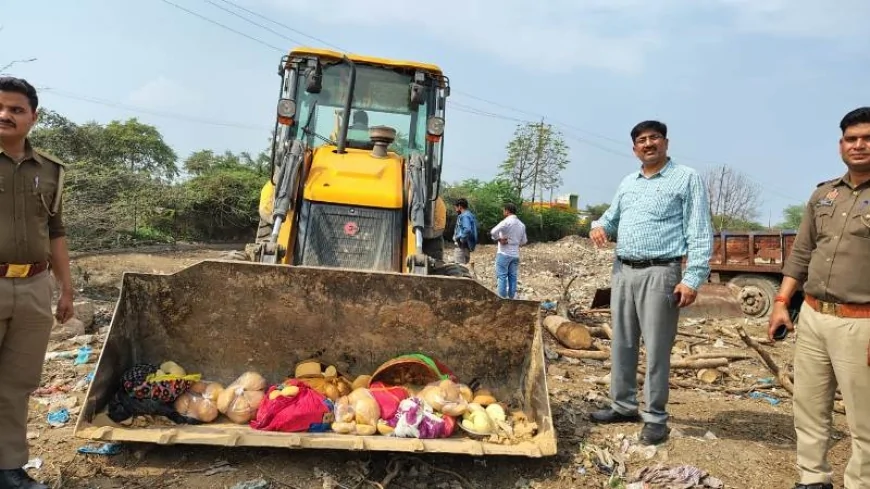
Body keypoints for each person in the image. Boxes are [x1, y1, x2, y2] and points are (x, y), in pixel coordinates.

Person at [588, 120, 713, 446]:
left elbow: (699, 231)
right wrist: (597, 225)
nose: (648, 144)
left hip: (661, 273)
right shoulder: (628, 182)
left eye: (653, 138)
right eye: (641, 140)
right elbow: (610, 219)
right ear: (634, 149)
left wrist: (692, 278)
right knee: (623, 343)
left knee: (657, 348)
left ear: (665, 143)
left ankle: (656, 418)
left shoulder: (686, 179)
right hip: (623, 271)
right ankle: (623, 405)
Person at [768, 107, 870, 489]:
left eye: (867, 138)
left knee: (865, 419)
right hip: (812, 316)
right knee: (809, 408)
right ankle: (813, 480)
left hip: (860, 322)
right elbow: (802, 252)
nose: (858, 145)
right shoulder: (823, 194)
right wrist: (781, 302)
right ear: (841, 144)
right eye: (851, 138)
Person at [0, 77, 74, 489]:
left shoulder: (50, 171)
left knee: (16, 382)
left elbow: (56, 232)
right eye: (0, 107)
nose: (5, 115)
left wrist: (66, 289)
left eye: (15, 109)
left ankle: (8, 469)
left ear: (33, 116)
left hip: (33, 287)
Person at [489, 202, 527, 299]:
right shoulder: (521, 225)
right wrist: (514, 242)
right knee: (513, 277)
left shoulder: (506, 222)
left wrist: (499, 239)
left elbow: (493, 232)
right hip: (515, 255)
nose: (503, 212)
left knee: (502, 277)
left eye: (504, 210)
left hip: (504, 253)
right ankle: (511, 299)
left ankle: (502, 299)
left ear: (507, 211)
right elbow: (524, 241)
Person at [452, 198, 477, 265]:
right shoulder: (470, 215)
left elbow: (467, 229)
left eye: (456, 207)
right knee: (464, 268)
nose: (455, 209)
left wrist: (458, 237)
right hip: (466, 247)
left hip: (461, 247)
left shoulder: (464, 216)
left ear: (460, 206)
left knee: (459, 269)